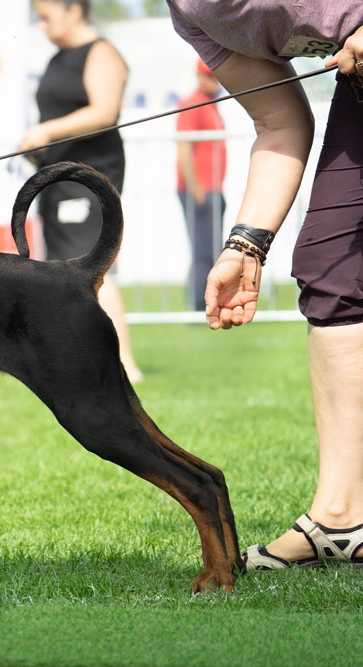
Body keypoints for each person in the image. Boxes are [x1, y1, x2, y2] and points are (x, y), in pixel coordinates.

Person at [167, 0, 363, 569]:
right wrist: (245, 246)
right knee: (330, 272)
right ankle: (342, 518)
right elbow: (280, 121)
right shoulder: (192, 13)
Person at [19, 0, 142, 382]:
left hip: (90, 176)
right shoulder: (58, 59)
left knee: (89, 266)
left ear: (73, 9)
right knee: (61, 267)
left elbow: (105, 112)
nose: (42, 26)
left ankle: (124, 364)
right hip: (56, 175)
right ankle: (74, 361)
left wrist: (46, 131)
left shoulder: (101, 52)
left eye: (46, 17)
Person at [176, 59, 227, 312]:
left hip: (211, 189)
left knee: (210, 249)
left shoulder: (210, 104)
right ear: (198, 75)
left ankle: (206, 303)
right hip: (199, 191)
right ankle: (200, 306)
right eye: (209, 76)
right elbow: (183, 150)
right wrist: (196, 188)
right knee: (203, 251)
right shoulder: (192, 104)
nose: (214, 81)